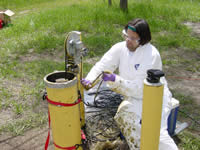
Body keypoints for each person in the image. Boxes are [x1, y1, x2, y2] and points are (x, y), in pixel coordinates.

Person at [81, 18, 178, 150]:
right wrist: (90, 79)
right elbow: (102, 65)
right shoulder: (120, 48)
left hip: (154, 97)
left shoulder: (151, 55)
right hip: (133, 97)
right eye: (126, 35)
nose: (128, 40)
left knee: (156, 132)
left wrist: (116, 80)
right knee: (125, 117)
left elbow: (140, 88)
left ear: (143, 39)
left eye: (133, 38)